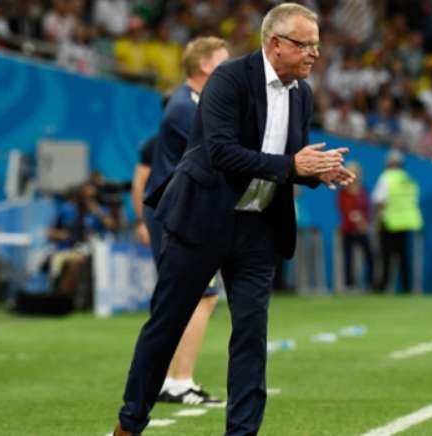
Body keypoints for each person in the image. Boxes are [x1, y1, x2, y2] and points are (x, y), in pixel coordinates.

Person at [113, 4, 355, 436]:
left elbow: (290, 161)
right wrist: (293, 166)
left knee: (250, 336)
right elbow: (221, 152)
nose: (315, 53)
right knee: (166, 327)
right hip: (202, 220)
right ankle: (130, 423)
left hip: (257, 228)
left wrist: (320, 172)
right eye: (305, 44)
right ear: (275, 44)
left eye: (318, 45)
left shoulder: (302, 93)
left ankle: (242, 433)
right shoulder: (228, 79)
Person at [131, 36, 230, 406]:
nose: (230, 67)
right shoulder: (186, 109)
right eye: (224, 60)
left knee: (191, 298)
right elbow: (219, 157)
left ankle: (172, 379)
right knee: (199, 298)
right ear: (205, 65)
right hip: (181, 215)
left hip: (180, 213)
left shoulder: (191, 104)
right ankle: (178, 381)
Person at [372, 150, 423, 293]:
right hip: (406, 222)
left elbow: (380, 201)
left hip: (389, 222)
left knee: (386, 257)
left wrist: (377, 221)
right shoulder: (408, 179)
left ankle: (383, 287)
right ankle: (406, 287)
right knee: (403, 258)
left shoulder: (386, 178)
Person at [337, 161, 374, 290]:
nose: (355, 175)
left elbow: (368, 209)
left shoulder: (364, 191)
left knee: (370, 256)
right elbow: (345, 210)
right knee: (348, 259)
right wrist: (357, 221)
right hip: (348, 230)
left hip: (363, 230)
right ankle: (349, 285)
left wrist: (364, 223)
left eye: (357, 172)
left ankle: (371, 284)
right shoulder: (343, 192)